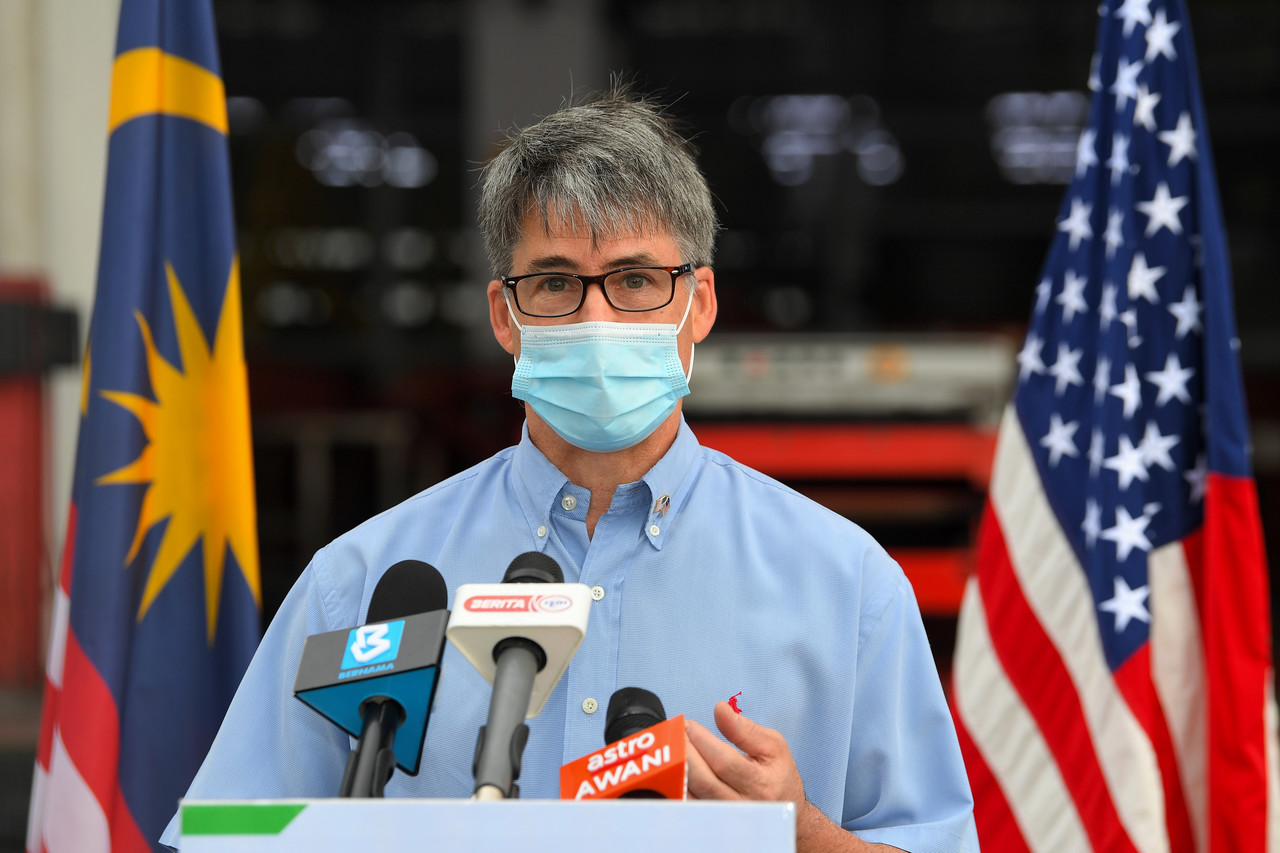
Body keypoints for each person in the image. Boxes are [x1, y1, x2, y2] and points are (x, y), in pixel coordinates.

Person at [161, 83, 978, 852]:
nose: (596, 316)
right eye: (555, 282)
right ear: (503, 315)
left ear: (699, 302)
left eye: (633, 280)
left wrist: (800, 832)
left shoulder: (847, 587)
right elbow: (232, 834)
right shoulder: (363, 585)